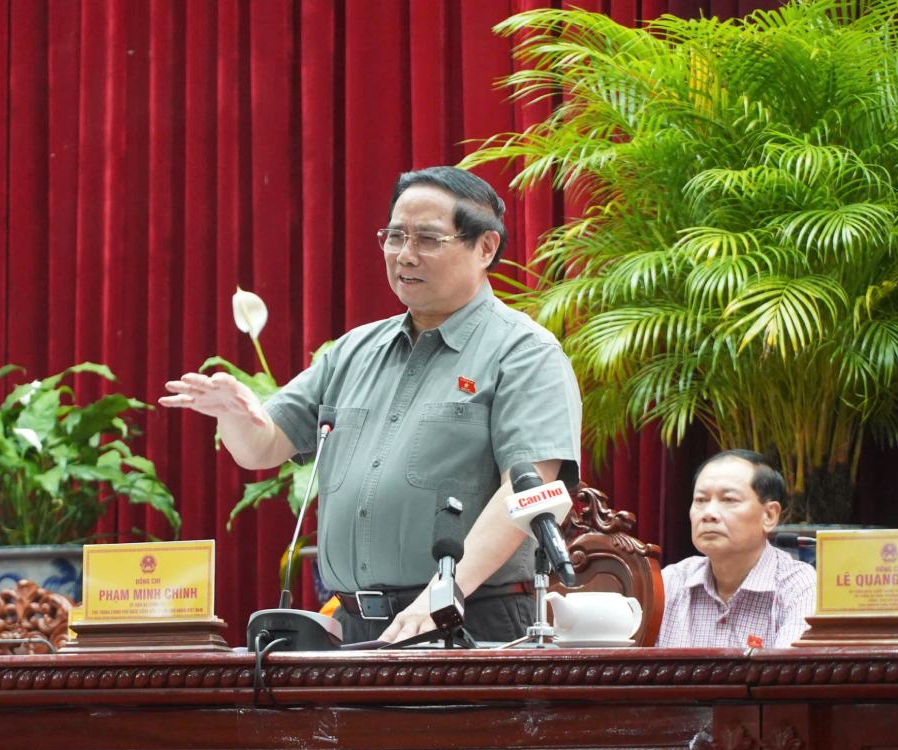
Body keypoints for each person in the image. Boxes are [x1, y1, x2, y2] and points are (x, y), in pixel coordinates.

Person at [160, 166, 582, 645]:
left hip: (465, 616)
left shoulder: (524, 352)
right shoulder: (353, 351)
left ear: (485, 247)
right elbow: (262, 448)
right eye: (394, 236)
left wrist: (440, 596)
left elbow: (528, 493)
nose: (405, 255)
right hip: (354, 625)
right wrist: (236, 416)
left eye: (427, 239)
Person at [657, 449, 816, 648]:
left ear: (769, 515)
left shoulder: (798, 587)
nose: (709, 514)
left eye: (728, 500)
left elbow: (790, 675)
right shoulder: (670, 583)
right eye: (701, 500)